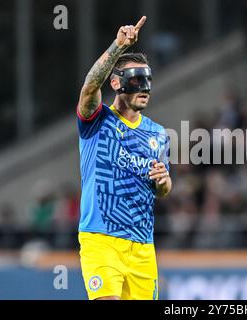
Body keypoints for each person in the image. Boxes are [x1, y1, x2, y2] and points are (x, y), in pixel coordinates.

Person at [76, 16, 172, 300]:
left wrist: (164, 182)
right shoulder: (97, 119)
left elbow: (163, 190)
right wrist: (117, 47)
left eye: (148, 81)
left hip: (142, 246)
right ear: (117, 83)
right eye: (136, 80)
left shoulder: (158, 134)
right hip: (101, 239)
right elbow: (90, 86)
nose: (144, 88)